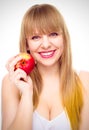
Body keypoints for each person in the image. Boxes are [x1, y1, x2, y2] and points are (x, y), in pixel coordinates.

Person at [1, 3, 89, 130]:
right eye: (36, 37)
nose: (46, 45)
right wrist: (26, 94)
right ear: (27, 44)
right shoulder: (11, 83)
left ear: (64, 38)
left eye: (53, 34)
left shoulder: (85, 80)